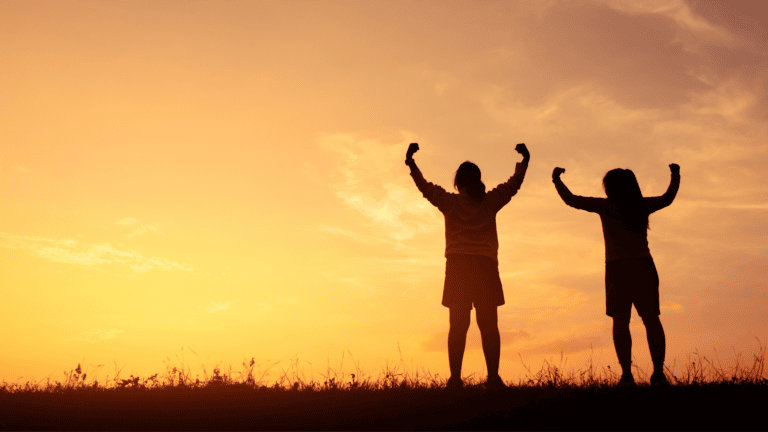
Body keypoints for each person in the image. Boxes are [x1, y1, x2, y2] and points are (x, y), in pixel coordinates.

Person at [406, 142, 530, 390]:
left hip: (458, 267)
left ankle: (455, 379)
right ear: (478, 180)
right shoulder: (489, 202)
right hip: (485, 266)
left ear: (458, 182)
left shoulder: (449, 202)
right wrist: (524, 162)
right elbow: (513, 186)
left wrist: (412, 163)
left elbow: (425, 187)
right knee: (488, 325)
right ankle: (493, 378)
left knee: (458, 325)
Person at [552, 163, 680, 386]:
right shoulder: (642, 206)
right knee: (651, 319)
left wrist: (557, 180)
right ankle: (658, 373)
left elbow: (572, 200)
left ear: (610, 188)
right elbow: (668, 198)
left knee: (621, 321)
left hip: (617, 269)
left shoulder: (607, 206)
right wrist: (675, 175)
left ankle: (627, 375)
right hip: (643, 266)